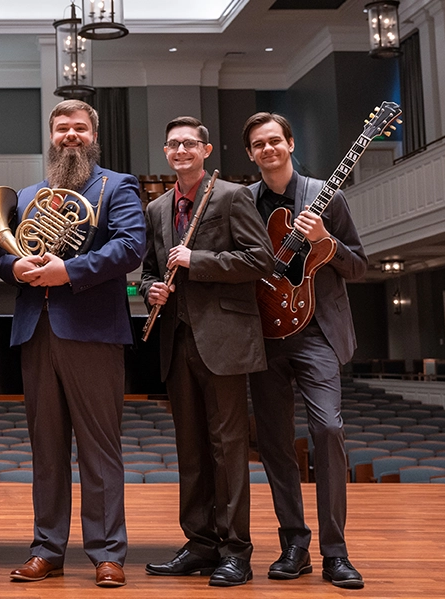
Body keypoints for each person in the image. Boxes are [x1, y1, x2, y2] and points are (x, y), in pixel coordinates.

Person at [0, 99, 146, 589]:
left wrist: (68, 271)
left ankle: (107, 552)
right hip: (37, 330)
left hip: (94, 331)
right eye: (63, 128)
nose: (70, 136)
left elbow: (130, 246)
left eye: (80, 128)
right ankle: (46, 549)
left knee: (101, 448)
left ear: (93, 135)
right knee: (47, 448)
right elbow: (4, 254)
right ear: (52, 135)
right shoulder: (30, 193)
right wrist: (14, 267)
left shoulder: (116, 186)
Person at [140, 116, 273, 587]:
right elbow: (149, 271)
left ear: (206, 150)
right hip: (176, 342)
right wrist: (149, 289)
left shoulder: (232, 196)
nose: (180, 151)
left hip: (224, 342)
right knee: (191, 450)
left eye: (188, 144)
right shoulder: (157, 208)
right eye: (172, 144)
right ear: (166, 151)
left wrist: (199, 261)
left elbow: (261, 260)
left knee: (228, 449)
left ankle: (236, 550)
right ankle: (200, 543)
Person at [243, 112, 367, 589]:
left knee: (328, 429)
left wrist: (326, 242)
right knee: (274, 443)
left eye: (275, 140)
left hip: (316, 333)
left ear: (290, 143)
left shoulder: (326, 195)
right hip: (265, 334)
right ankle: (294, 545)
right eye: (259, 144)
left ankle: (336, 552)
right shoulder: (245, 202)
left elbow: (358, 266)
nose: (268, 149)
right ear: (251, 153)